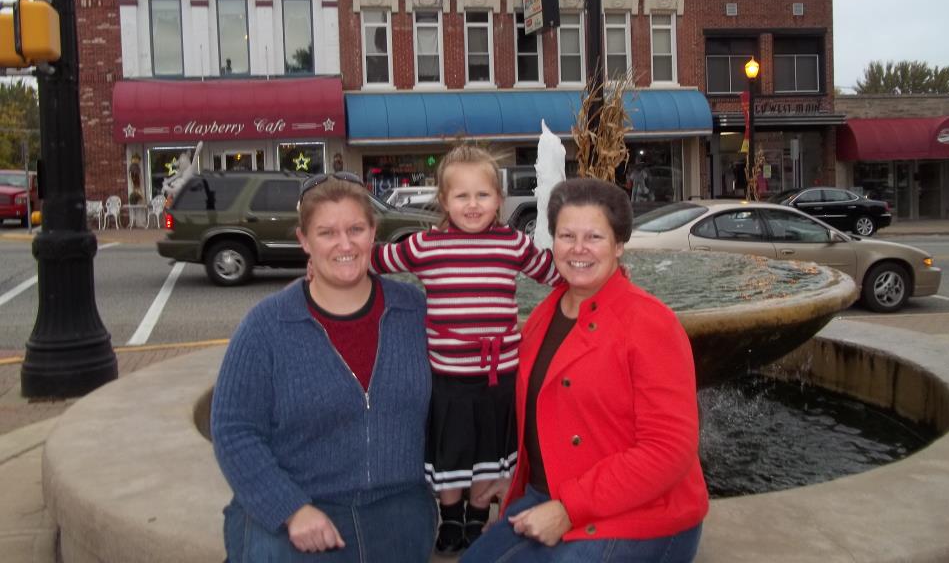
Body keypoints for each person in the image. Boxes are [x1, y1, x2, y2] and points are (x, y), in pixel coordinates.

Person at [463, 178, 708, 563]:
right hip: (545, 497)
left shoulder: (651, 323)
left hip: (641, 515)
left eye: (594, 236)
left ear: (619, 244)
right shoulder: (544, 316)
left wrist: (568, 509)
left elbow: (669, 450)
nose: (578, 249)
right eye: (566, 236)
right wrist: (510, 475)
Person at [211, 171, 436, 562]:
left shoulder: (414, 312)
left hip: (397, 507)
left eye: (355, 229)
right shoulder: (267, 325)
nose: (344, 244)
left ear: (373, 232)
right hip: (298, 505)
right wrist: (290, 508)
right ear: (304, 240)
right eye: (327, 233)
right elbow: (233, 429)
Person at [371, 144, 560, 555]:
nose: (473, 205)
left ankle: (477, 515)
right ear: (444, 200)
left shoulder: (512, 244)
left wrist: (598, 270)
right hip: (448, 380)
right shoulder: (426, 246)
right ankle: (451, 516)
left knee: (488, 454)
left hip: (499, 378)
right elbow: (377, 261)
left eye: (483, 195)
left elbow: (552, 273)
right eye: (462, 196)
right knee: (451, 453)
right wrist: (331, 261)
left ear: (498, 199)